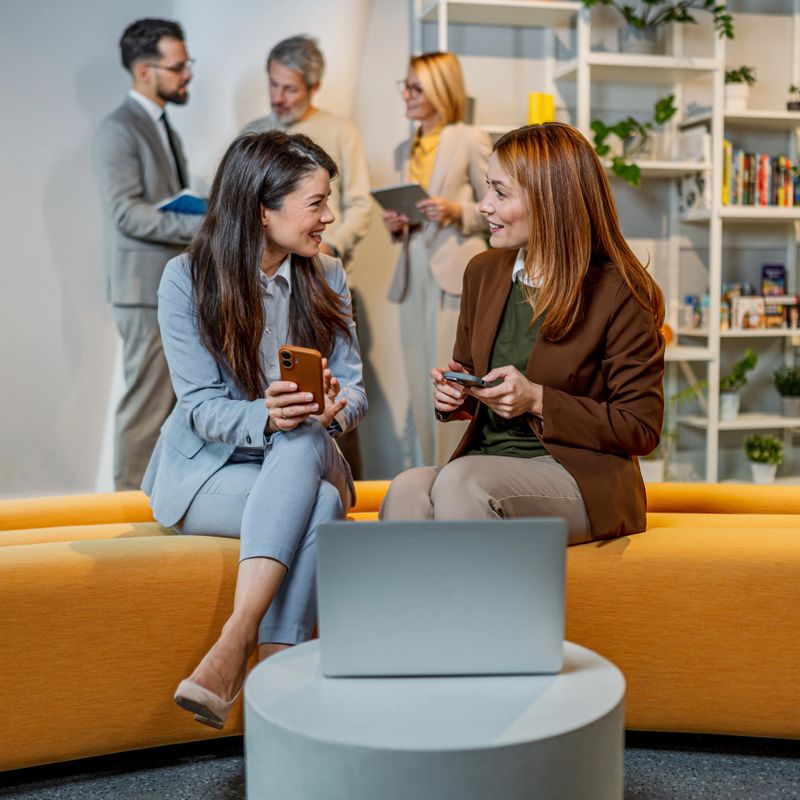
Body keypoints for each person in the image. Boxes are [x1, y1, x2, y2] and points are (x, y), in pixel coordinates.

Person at [141, 131, 367, 729]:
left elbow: (355, 389)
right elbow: (199, 407)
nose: (330, 216)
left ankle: (233, 648)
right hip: (208, 476)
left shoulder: (330, 277)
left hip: (300, 456)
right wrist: (268, 415)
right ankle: (271, 680)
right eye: (315, 203)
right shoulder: (185, 279)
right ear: (262, 210)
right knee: (315, 492)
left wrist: (334, 408)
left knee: (305, 438)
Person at [380, 122, 665, 542]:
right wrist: (456, 397)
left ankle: (481, 610)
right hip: (485, 462)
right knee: (407, 488)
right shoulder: (483, 272)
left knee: (462, 482)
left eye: (499, 192)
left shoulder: (619, 292)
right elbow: (472, 377)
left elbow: (639, 427)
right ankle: (411, 612)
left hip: (579, 476)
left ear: (550, 202)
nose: (482, 205)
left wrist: (538, 399)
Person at [242, 34, 371, 479]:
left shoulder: (341, 130)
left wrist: (322, 249)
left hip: (316, 281)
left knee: (328, 394)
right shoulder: (255, 137)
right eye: (273, 86)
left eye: (289, 88)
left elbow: (361, 204)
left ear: (313, 87)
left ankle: (331, 475)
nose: (278, 97)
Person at [93, 18, 203, 490]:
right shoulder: (118, 129)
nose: (187, 75)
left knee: (173, 404)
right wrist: (205, 223)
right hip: (143, 291)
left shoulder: (164, 128)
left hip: (170, 285)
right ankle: (124, 520)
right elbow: (127, 214)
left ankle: (159, 505)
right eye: (178, 66)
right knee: (144, 406)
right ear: (144, 71)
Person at [383, 51, 491, 467]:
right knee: (418, 382)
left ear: (441, 90)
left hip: (456, 273)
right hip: (413, 277)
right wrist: (396, 224)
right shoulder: (402, 149)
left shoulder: (468, 138)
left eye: (416, 87)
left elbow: (496, 206)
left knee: (453, 381)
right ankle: (428, 475)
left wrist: (455, 211)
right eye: (405, 86)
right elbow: (409, 218)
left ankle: (456, 473)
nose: (407, 95)